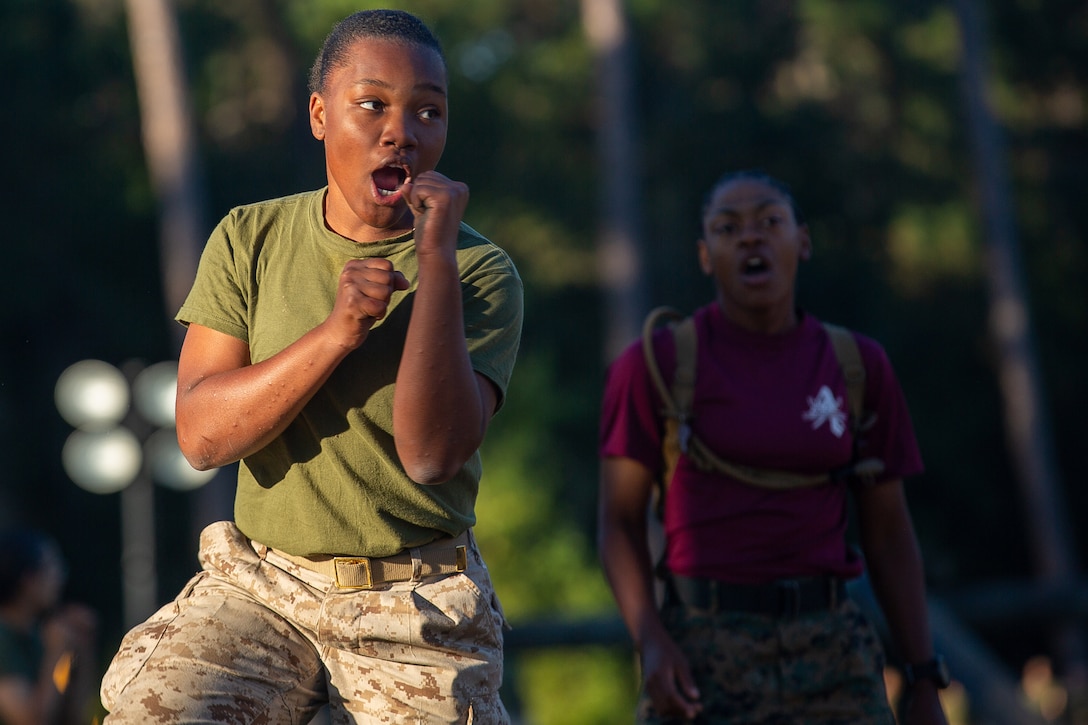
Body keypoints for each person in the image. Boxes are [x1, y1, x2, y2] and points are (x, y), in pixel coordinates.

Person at [99, 9, 523, 724]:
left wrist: (435, 264)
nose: (402, 130)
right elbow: (202, 437)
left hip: (412, 599)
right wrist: (335, 333)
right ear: (320, 114)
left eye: (429, 110)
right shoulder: (249, 237)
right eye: (373, 104)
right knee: (150, 710)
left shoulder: (480, 271)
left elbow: (431, 455)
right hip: (264, 582)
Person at [597, 170, 948, 724]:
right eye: (728, 228)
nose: (751, 238)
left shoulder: (858, 367)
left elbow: (889, 532)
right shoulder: (655, 366)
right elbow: (618, 521)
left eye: (769, 221)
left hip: (834, 649)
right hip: (703, 651)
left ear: (802, 242)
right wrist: (651, 639)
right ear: (705, 255)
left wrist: (924, 676)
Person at [0, 528, 98, 725]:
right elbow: (30, 721)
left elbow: (77, 717)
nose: (60, 576)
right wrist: (56, 651)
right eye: (52, 567)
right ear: (28, 579)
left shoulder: (39, 635)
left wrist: (83, 646)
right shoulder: (4, 640)